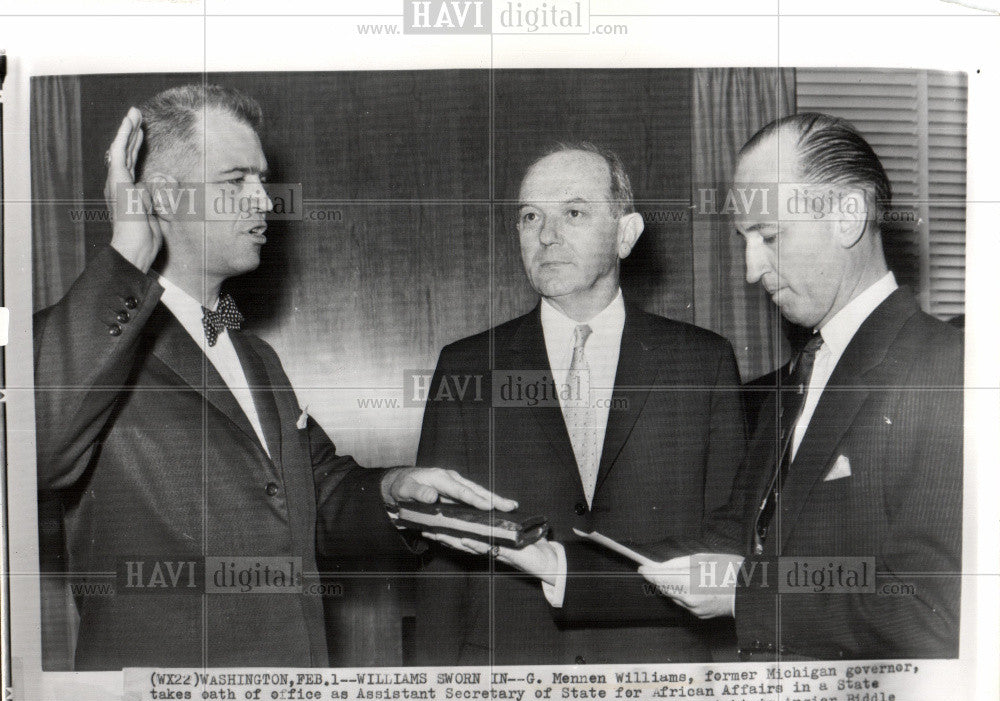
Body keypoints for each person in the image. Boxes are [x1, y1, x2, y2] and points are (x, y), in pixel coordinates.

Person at [33, 84, 513, 670]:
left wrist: (394, 492)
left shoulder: (255, 356)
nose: (264, 202)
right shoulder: (78, 343)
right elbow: (36, 453)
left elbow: (317, 497)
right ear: (162, 196)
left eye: (260, 181)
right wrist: (127, 252)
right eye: (235, 182)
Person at [637, 113, 963, 659]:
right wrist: (560, 564)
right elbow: (730, 542)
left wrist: (749, 597)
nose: (750, 268)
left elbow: (932, 610)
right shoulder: (801, 372)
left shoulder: (949, 372)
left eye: (768, 236)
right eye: (745, 240)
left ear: (848, 217)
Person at [413, 143, 747, 665]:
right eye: (530, 217)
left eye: (573, 213)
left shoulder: (701, 364)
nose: (546, 236)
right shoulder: (468, 368)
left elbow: (729, 536)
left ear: (626, 234)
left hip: (660, 675)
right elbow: (442, 558)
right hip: (512, 680)